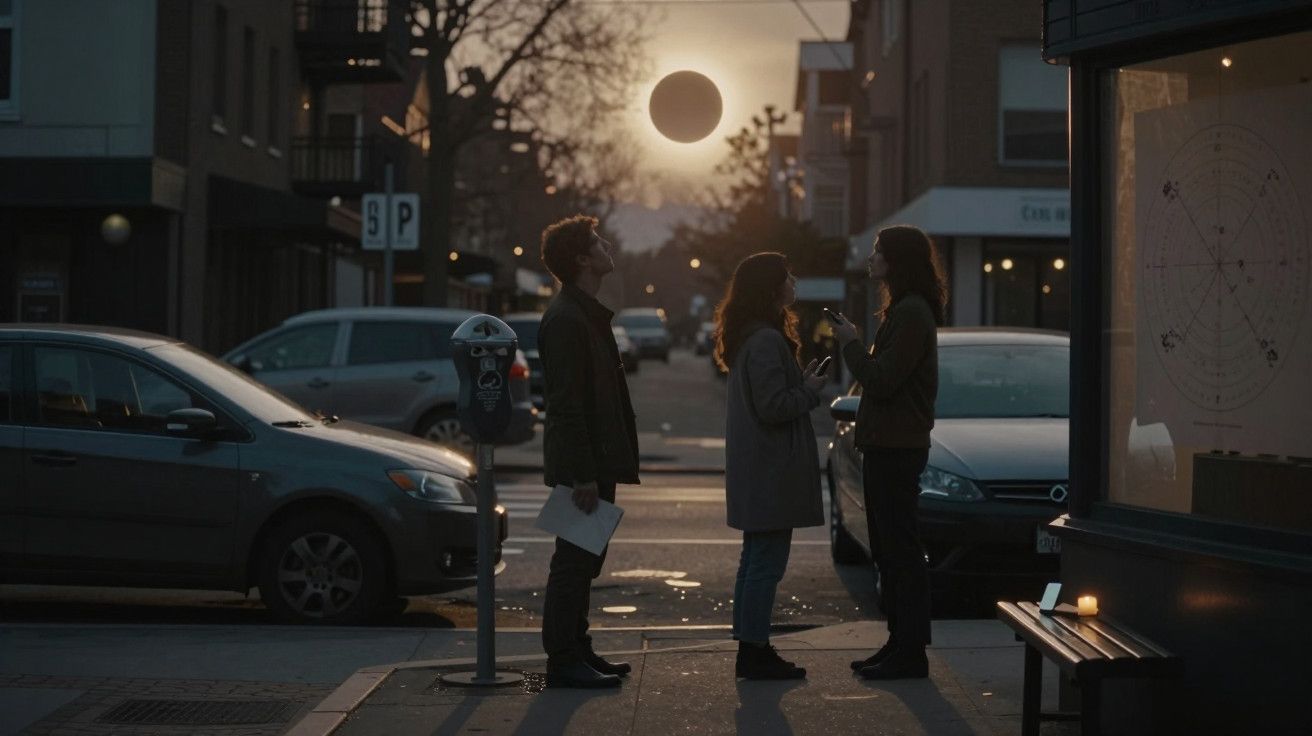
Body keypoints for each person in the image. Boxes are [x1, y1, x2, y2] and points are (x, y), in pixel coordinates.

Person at [831, 225, 947, 680]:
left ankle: (910, 650)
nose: (871, 256)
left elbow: (881, 380)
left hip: (898, 448)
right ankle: (899, 643)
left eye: (879, 251)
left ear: (897, 260)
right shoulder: (902, 310)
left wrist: (850, 344)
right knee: (887, 551)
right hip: (886, 445)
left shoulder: (913, 314)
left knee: (900, 551)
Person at [537, 215, 640, 689]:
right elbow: (566, 406)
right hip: (585, 465)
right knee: (573, 561)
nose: (607, 246)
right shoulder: (566, 319)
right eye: (598, 242)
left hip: (596, 460)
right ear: (582, 259)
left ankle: (578, 648)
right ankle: (563, 659)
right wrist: (581, 474)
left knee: (584, 559)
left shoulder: (584, 313)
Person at [715, 252, 829, 680]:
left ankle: (751, 645)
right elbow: (773, 406)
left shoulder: (754, 336)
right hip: (770, 471)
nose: (793, 281)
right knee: (765, 563)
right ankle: (755, 649)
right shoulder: (764, 339)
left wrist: (801, 383)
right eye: (787, 276)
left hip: (760, 468)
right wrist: (811, 391)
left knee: (756, 559)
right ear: (771, 288)